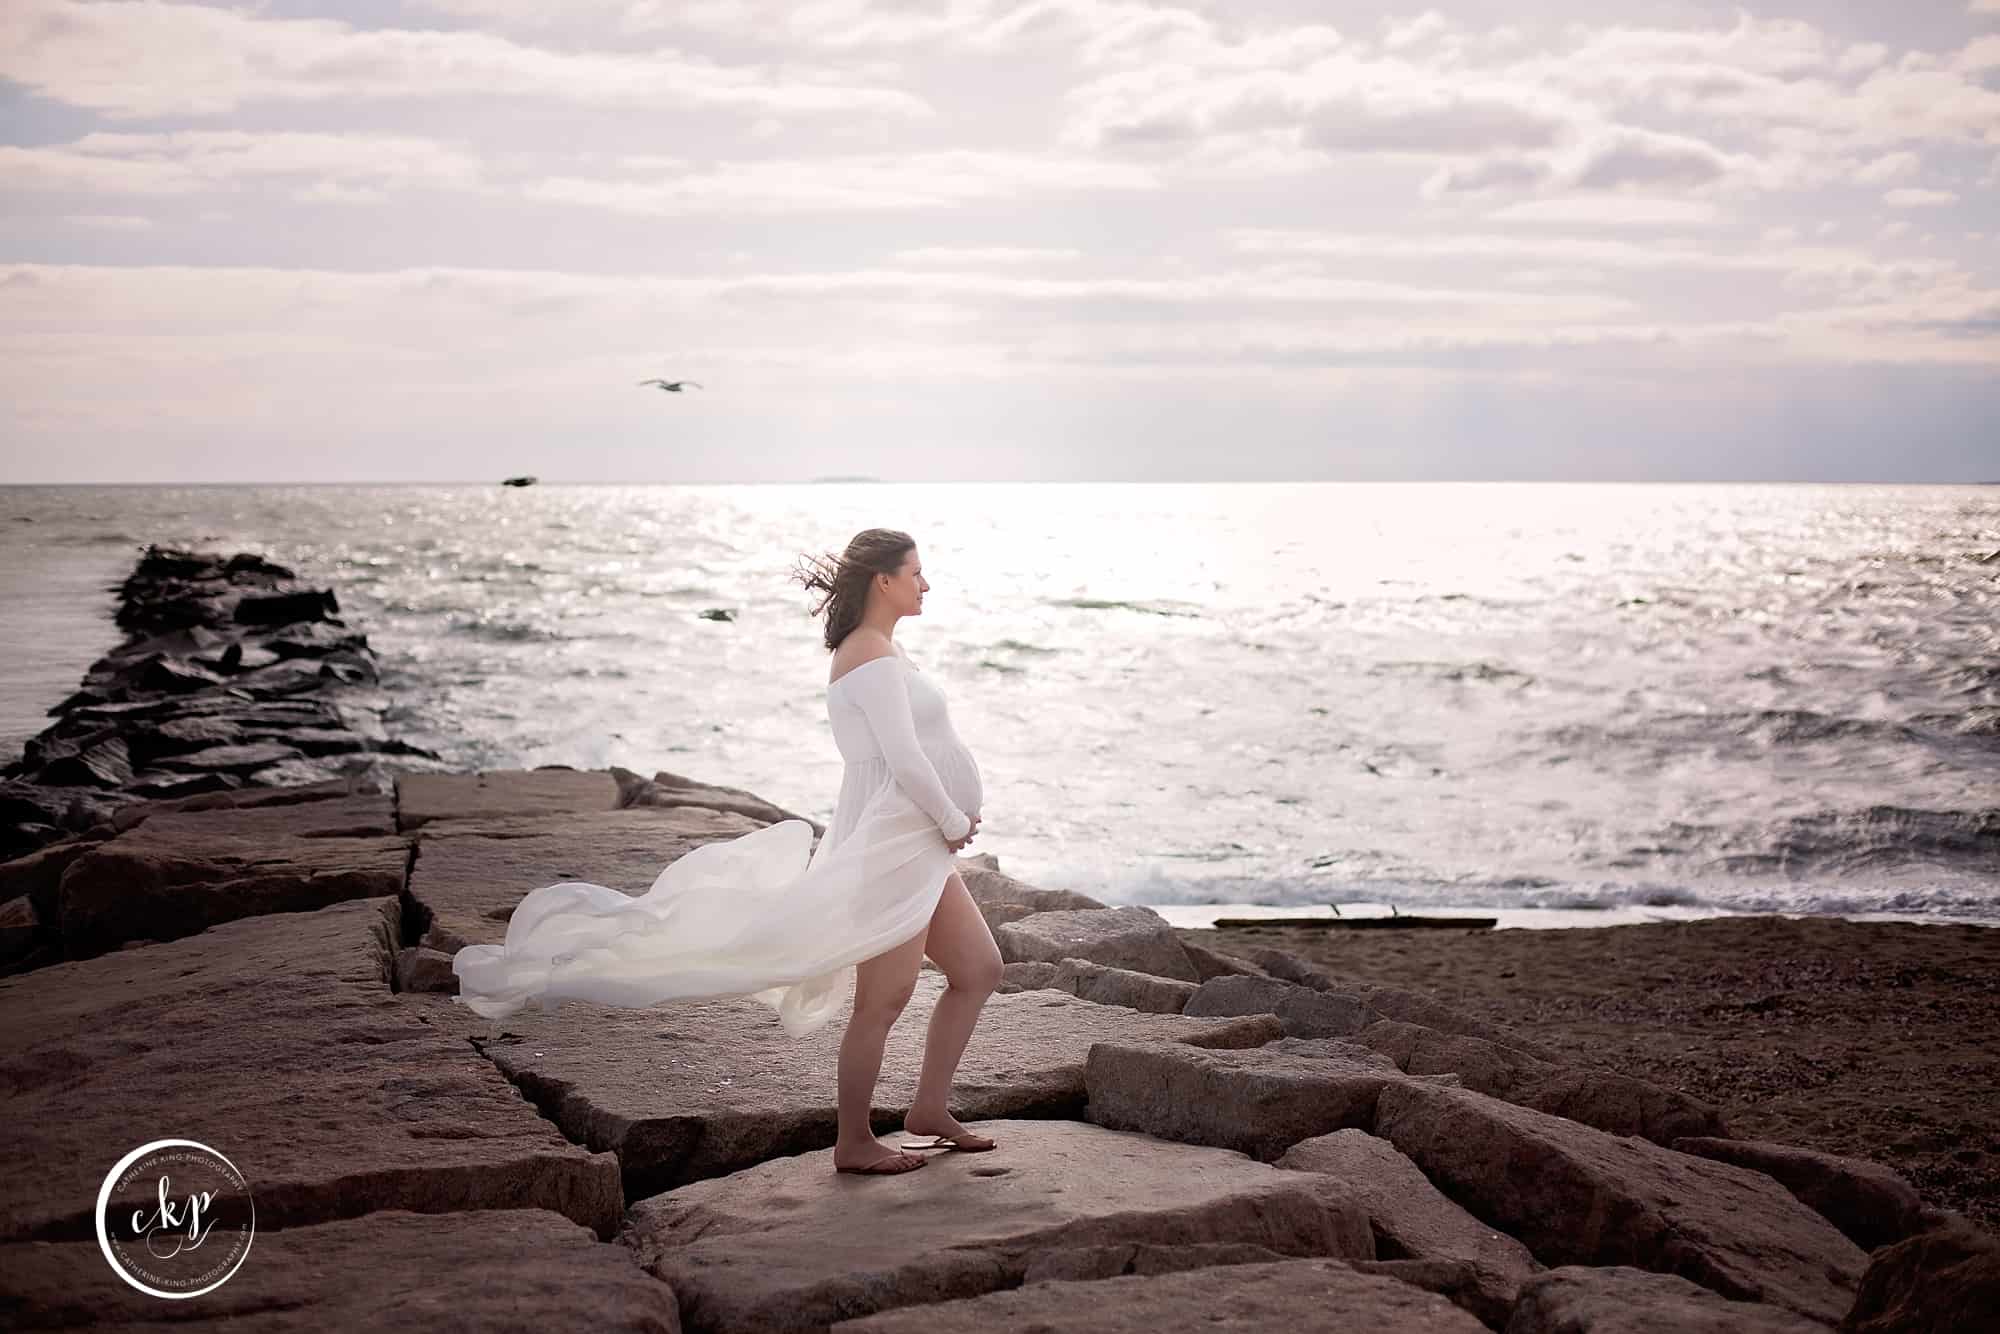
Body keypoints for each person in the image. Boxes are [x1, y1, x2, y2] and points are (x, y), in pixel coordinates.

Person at [450, 527, 1002, 1178]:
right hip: (895, 844)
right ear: (883, 580)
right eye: (916, 572)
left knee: (980, 968)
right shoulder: (870, 656)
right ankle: (854, 1141)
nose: (925, 583)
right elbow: (903, 758)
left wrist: (944, 822)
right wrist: (949, 818)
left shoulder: (882, 651)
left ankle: (928, 1110)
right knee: (884, 1000)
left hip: (915, 844)